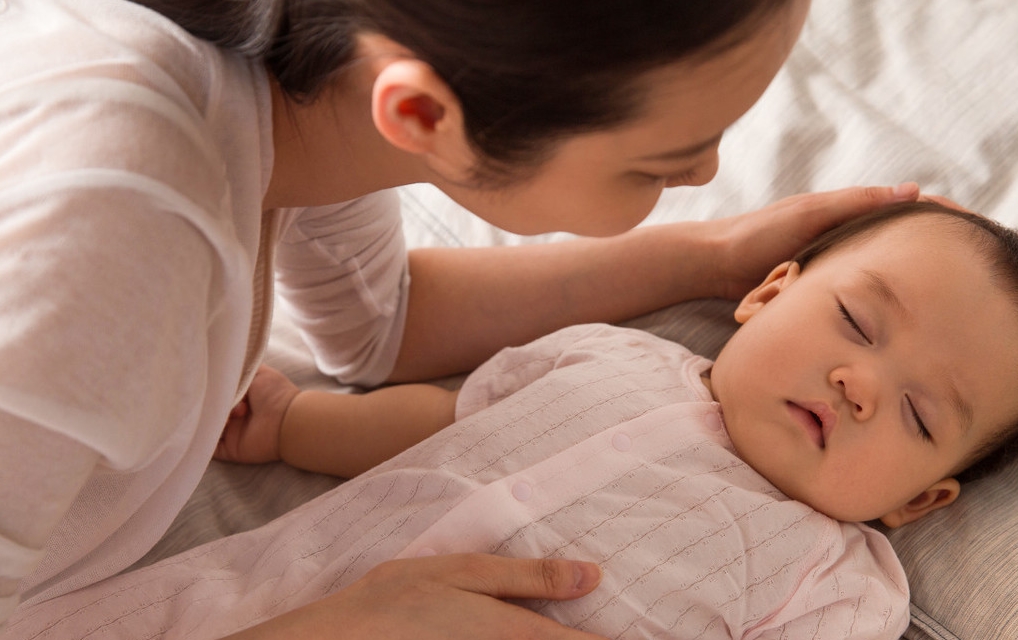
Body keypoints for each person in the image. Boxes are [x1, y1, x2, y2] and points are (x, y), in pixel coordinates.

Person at [0, 0, 926, 636]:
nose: (706, 177)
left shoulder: (307, 69)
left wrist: (712, 256)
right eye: (661, 160)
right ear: (426, 114)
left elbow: (378, 326)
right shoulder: (113, 228)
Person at [13, 202, 1018, 639]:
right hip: (245, 604)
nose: (859, 384)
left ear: (916, 503)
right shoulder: (617, 355)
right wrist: (295, 425)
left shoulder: (842, 579)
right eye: (853, 320)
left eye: (923, 415)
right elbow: (445, 421)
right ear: (764, 292)